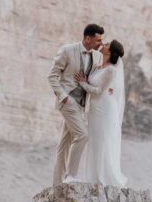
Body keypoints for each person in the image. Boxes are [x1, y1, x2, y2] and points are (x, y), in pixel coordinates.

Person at [47, 24, 104, 185]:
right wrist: (63, 96)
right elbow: (52, 76)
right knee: (83, 135)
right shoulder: (67, 50)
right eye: (98, 40)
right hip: (68, 101)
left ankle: (57, 185)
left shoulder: (96, 56)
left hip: (80, 105)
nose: (100, 43)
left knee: (64, 144)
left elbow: (98, 77)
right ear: (88, 38)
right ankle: (70, 175)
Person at [75, 39, 127, 186]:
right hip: (95, 109)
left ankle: (102, 178)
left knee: (102, 140)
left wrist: (83, 83)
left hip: (104, 108)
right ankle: (93, 177)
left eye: (107, 45)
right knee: (95, 140)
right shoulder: (98, 66)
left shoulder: (111, 70)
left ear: (110, 52)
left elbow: (98, 91)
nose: (104, 44)